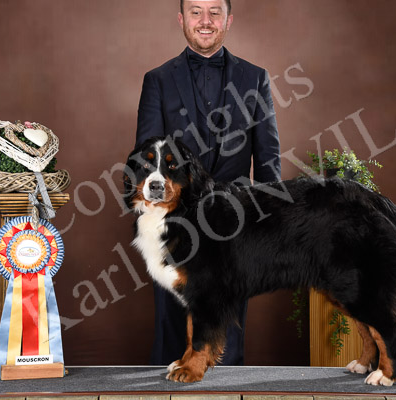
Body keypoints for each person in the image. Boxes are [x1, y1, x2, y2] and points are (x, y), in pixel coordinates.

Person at [134, 0, 281, 366]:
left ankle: (228, 385)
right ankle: (164, 384)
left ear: (228, 20)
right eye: (196, 11)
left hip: (235, 221)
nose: (205, 20)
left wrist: (272, 222)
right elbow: (147, 158)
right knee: (172, 320)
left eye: (215, 12)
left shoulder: (256, 77)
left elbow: (268, 159)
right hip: (173, 221)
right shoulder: (157, 79)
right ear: (181, 19)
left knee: (226, 317)